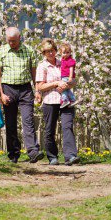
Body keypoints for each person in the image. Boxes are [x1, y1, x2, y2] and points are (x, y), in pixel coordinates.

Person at [0, 27, 43, 163]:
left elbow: (34, 73)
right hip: (8, 88)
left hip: (25, 89)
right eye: (9, 41)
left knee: (28, 120)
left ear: (20, 38)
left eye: (14, 41)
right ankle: (13, 154)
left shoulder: (29, 51)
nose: (12, 43)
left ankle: (33, 151)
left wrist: (37, 90)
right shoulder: (0, 52)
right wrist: (1, 94)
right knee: (10, 123)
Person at [36, 38, 80, 166]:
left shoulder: (64, 62)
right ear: (43, 53)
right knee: (50, 129)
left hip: (65, 99)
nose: (50, 53)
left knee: (67, 126)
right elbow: (40, 86)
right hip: (50, 100)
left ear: (56, 51)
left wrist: (67, 84)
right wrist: (56, 83)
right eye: (47, 51)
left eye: (52, 50)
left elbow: (73, 80)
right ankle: (52, 156)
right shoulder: (42, 66)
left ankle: (70, 156)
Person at [59, 43, 78, 108]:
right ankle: (72, 100)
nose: (66, 54)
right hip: (64, 76)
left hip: (67, 77)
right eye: (64, 52)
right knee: (67, 89)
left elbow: (71, 69)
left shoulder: (70, 60)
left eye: (68, 52)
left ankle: (65, 100)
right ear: (61, 53)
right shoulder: (63, 59)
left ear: (70, 52)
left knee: (63, 88)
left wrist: (70, 77)